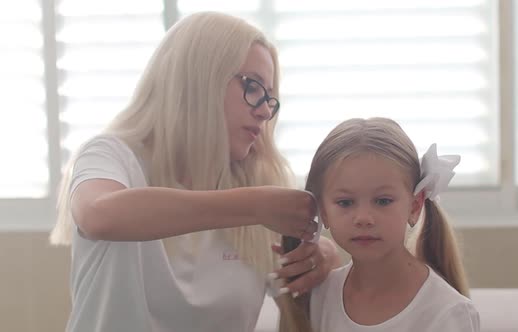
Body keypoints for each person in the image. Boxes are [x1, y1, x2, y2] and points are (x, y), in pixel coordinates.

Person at [49, 11, 340, 332]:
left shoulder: (258, 183)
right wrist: (253, 206)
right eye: (253, 87)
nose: (265, 110)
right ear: (199, 78)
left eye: (270, 98)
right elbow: (98, 217)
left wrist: (322, 260)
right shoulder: (112, 155)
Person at [278, 117, 480, 331]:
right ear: (324, 212)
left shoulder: (446, 312)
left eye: (383, 201)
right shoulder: (319, 297)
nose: (363, 218)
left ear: (414, 206)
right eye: (345, 202)